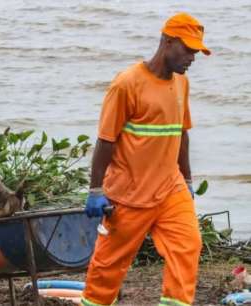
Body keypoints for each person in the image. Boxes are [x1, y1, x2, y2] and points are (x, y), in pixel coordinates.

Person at [82, 13, 210, 306]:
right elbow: (105, 140)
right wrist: (95, 190)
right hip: (129, 194)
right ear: (167, 41)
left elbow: (181, 133)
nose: (192, 57)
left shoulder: (181, 84)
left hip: (170, 189)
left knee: (187, 246)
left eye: (196, 51)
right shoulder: (127, 84)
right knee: (107, 268)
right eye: (188, 49)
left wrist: (187, 179)